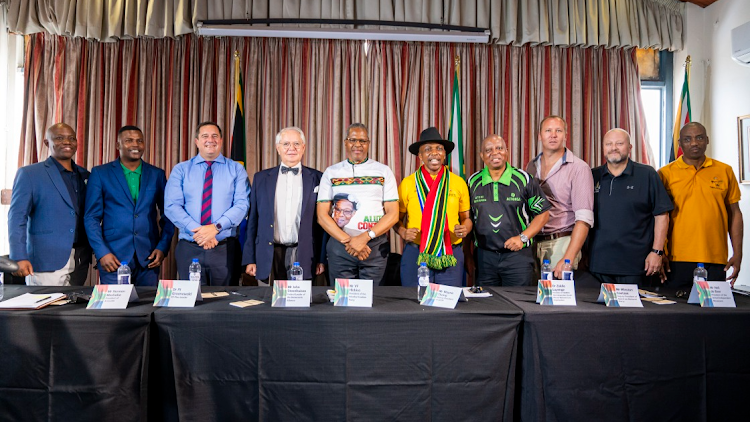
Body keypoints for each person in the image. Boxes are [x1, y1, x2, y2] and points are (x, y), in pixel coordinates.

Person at [84, 125, 175, 286]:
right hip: (113, 257)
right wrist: (101, 252)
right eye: (129, 141)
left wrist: (162, 247)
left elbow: (169, 215)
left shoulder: (157, 174)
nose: (135, 145)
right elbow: (91, 217)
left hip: (148, 257)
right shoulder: (100, 173)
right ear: (118, 145)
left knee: (146, 309)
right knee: (115, 310)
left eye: (139, 141)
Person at [658, 122, 743, 287]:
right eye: (688, 139)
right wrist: (659, 252)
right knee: (676, 311)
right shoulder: (665, 174)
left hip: (715, 258)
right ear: (680, 143)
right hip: (676, 259)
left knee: (714, 312)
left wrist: (738, 252)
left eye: (699, 138)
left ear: (707, 140)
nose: (694, 143)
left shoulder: (725, 171)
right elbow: (658, 217)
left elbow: (735, 214)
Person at [165, 121, 250, 286]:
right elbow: (172, 206)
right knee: (191, 304)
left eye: (214, 136)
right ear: (197, 141)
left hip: (224, 249)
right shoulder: (181, 170)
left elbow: (242, 205)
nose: (210, 140)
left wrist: (215, 228)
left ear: (221, 140)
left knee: (225, 302)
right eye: (205, 136)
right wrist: (202, 233)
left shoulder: (236, 170)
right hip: (189, 248)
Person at [8, 123, 92, 286]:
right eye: (59, 138)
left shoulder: (85, 175)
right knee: (46, 310)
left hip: (80, 258)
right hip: (45, 260)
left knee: (73, 310)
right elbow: (16, 218)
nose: (67, 142)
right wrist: (19, 256)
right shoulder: (29, 174)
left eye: (71, 138)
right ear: (47, 143)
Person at [587, 129, 673, 286]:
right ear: (603, 148)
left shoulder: (647, 174)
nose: (614, 148)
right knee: (597, 311)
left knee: (632, 311)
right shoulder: (592, 176)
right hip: (597, 264)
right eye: (609, 144)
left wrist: (657, 252)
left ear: (630, 147)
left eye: (619, 143)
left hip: (636, 265)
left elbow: (662, 215)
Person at [316, 123, 399, 285]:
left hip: (374, 246)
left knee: (373, 301)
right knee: (342, 300)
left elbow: (393, 214)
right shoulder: (331, 172)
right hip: (340, 247)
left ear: (368, 143)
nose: (357, 145)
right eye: (353, 140)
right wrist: (350, 241)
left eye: (363, 141)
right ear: (346, 142)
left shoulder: (383, 171)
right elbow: (322, 216)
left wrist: (365, 237)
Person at [242, 127, 324, 284]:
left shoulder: (318, 178)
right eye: (286, 144)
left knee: (299, 305)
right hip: (268, 254)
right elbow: (252, 221)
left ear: (303, 147)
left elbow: (322, 224)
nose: (291, 148)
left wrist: (322, 259)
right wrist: (250, 258)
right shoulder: (261, 178)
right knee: (269, 304)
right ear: (278, 148)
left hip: (304, 253)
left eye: (296, 144)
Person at [469, 134, 551, 286]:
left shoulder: (524, 179)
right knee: (487, 306)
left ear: (507, 151)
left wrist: (523, 238)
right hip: (484, 258)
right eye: (488, 150)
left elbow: (543, 214)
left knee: (518, 305)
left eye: (499, 148)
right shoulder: (472, 182)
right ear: (481, 155)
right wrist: (467, 255)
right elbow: (468, 219)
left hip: (517, 258)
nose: (495, 153)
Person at [395, 127, 472, 287]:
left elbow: (467, 218)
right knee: (414, 303)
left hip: (450, 252)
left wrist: (465, 228)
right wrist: (402, 232)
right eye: (428, 149)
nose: (434, 153)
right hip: (417, 252)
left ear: (445, 154)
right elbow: (396, 219)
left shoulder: (458, 182)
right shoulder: (408, 183)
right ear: (420, 156)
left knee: (448, 304)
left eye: (439, 148)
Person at [526, 115, 594, 278]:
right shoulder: (531, 166)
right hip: (533, 243)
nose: (553, 135)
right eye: (548, 130)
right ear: (540, 135)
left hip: (562, 243)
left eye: (558, 131)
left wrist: (567, 258)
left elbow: (584, 220)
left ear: (565, 135)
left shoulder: (579, 168)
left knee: (558, 300)